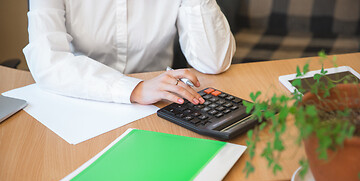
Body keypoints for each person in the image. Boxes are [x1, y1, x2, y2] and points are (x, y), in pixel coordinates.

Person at [24, 0, 236, 105]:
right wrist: (135, 89)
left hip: (158, 106)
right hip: (79, 97)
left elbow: (214, 61)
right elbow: (48, 60)